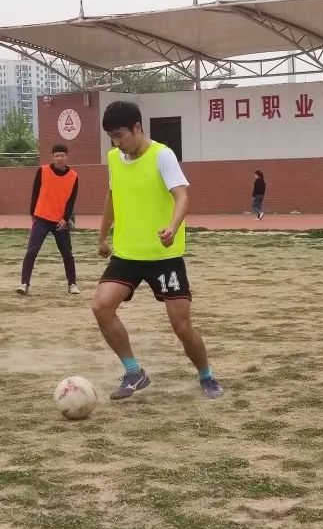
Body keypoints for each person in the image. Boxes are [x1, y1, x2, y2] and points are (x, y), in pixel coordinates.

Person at [92, 100, 223, 400]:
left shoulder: (162, 155)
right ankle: (134, 372)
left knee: (182, 327)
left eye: (120, 135)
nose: (116, 142)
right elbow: (112, 198)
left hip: (164, 256)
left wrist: (173, 227)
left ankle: (206, 375)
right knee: (101, 307)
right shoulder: (114, 158)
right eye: (111, 137)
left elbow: (182, 198)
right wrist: (102, 237)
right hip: (127, 254)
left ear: (137, 128)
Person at [17, 143, 80, 295]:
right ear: (52, 157)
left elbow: (71, 200)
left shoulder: (74, 176)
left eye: (62, 155)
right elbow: (35, 192)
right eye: (57, 155)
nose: (59, 158)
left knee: (67, 254)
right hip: (41, 219)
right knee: (32, 251)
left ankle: (72, 284)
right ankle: (24, 284)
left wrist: (66, 219)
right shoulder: (43, 171)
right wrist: (33, 213)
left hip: (60, 222)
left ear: (66, 156)